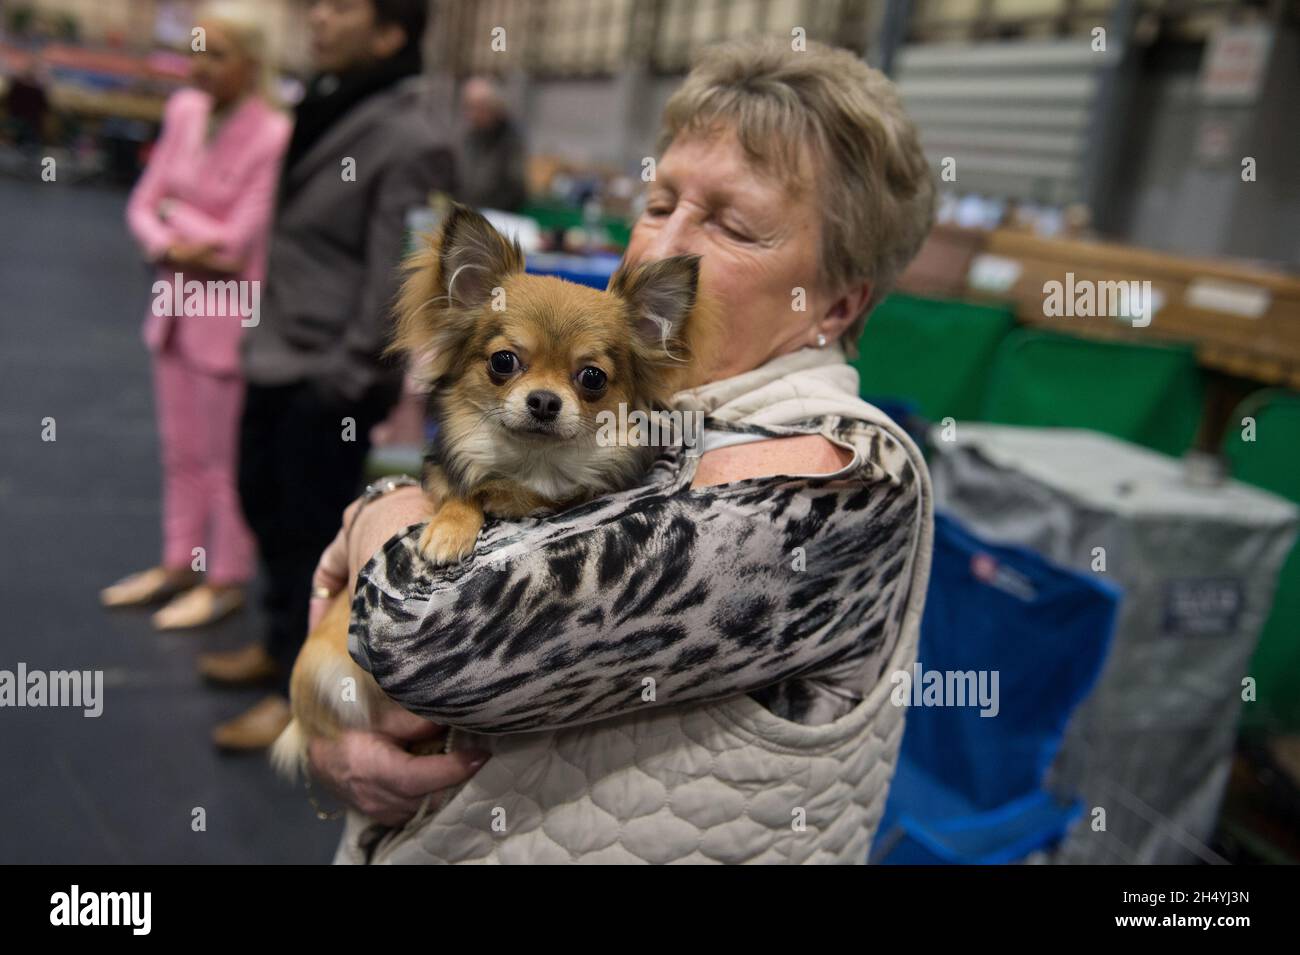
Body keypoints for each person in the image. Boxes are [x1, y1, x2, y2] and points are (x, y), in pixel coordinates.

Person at [309, 35, 937, 864]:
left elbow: (422, 637)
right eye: (657, 203)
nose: (662, 247)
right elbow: (367, 690)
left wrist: (372, 517)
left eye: (732, 224)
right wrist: (330, 735)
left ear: (837, 303)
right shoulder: (644, 413)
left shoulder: (840, 482)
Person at [196, 0, 456, 749]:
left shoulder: (412, 136)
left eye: (341, 8)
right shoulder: (330, 103)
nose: (317, 17)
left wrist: (344, 378)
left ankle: (302, 693)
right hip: (277, 350)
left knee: (316, 534)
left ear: (389, 34)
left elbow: (397, 274)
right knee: (264, 504)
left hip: (327, 373)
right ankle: (277, 645)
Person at [103, 4, 290, 631]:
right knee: (179, 451)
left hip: (228, 320)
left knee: (222, 463)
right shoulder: (182, 112)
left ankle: (225, 580)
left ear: (252, 63)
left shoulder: (273, 134)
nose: (200, 67)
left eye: (217, 55)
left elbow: (237, 242)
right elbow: (142, 202)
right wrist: (171, 238)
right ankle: (179, 563)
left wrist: (175, 219)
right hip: (174, 311)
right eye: (196, 51)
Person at [456, 75, 527, 212]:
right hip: (468, 211)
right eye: (468, 107)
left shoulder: (510, 139)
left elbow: (515, 188)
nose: (472, 115)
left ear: (493, 108)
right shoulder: (470, 135)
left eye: (477, 108)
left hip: (496, 214)